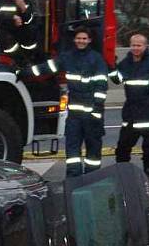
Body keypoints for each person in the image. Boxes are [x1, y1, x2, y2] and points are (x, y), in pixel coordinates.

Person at [27, 27, 108, 176]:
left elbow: (101, 84)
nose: (81, 41)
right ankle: (73, 181)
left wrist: (97, 108)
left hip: (92, 116)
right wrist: (27, 72)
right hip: (75, 116)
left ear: (89, 40)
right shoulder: (68, 57)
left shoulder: (97, 59)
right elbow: (49, 67)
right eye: (78, 38)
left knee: (93, 153)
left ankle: (92, 179)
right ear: (74, 39)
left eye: (84, 38)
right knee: (72, 152)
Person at [111, 33, 149, 180]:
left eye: (139, 45)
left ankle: (148, 177)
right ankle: (123, 177)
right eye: (133, 45)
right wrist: (111, 67)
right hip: (131, 116)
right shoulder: (125, 64)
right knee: (122, 149)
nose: (135, 48)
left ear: (145, 46)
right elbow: (117, 80)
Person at [0, 0, 40, 67]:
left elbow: (30, 19)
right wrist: (12, 18)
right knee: (6, 37)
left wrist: (24, 9)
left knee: (32, 31)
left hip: (21, 30)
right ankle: (16, 60)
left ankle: (30, 59)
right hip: (4, 30)